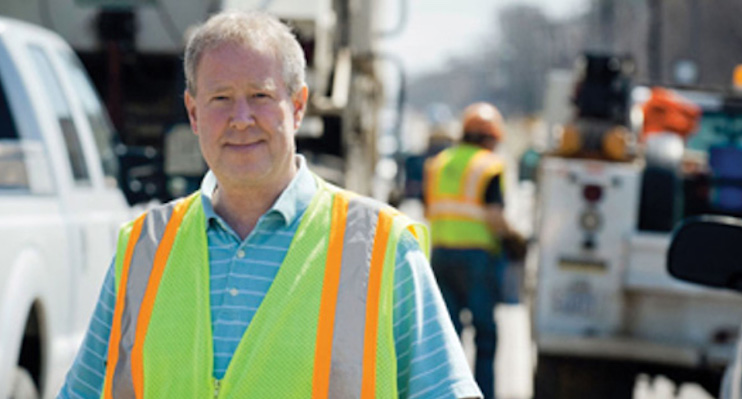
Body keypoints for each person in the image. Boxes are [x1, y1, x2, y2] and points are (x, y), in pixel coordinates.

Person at [58, 11, 481, 399]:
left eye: (260, 96)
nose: (241, 118)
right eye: (220, 98)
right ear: (193, 113)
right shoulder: (143, 248)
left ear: (297, 107)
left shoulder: (380, 249)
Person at [423, 102, 523, 399]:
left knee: (446, 337)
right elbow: (494, 215)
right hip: (477, 258)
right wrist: (513, 237)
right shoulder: (489, 165)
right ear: (491, 138)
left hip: (441, 254)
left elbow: (430, 208)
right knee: (485, 335)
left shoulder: (439, 163)